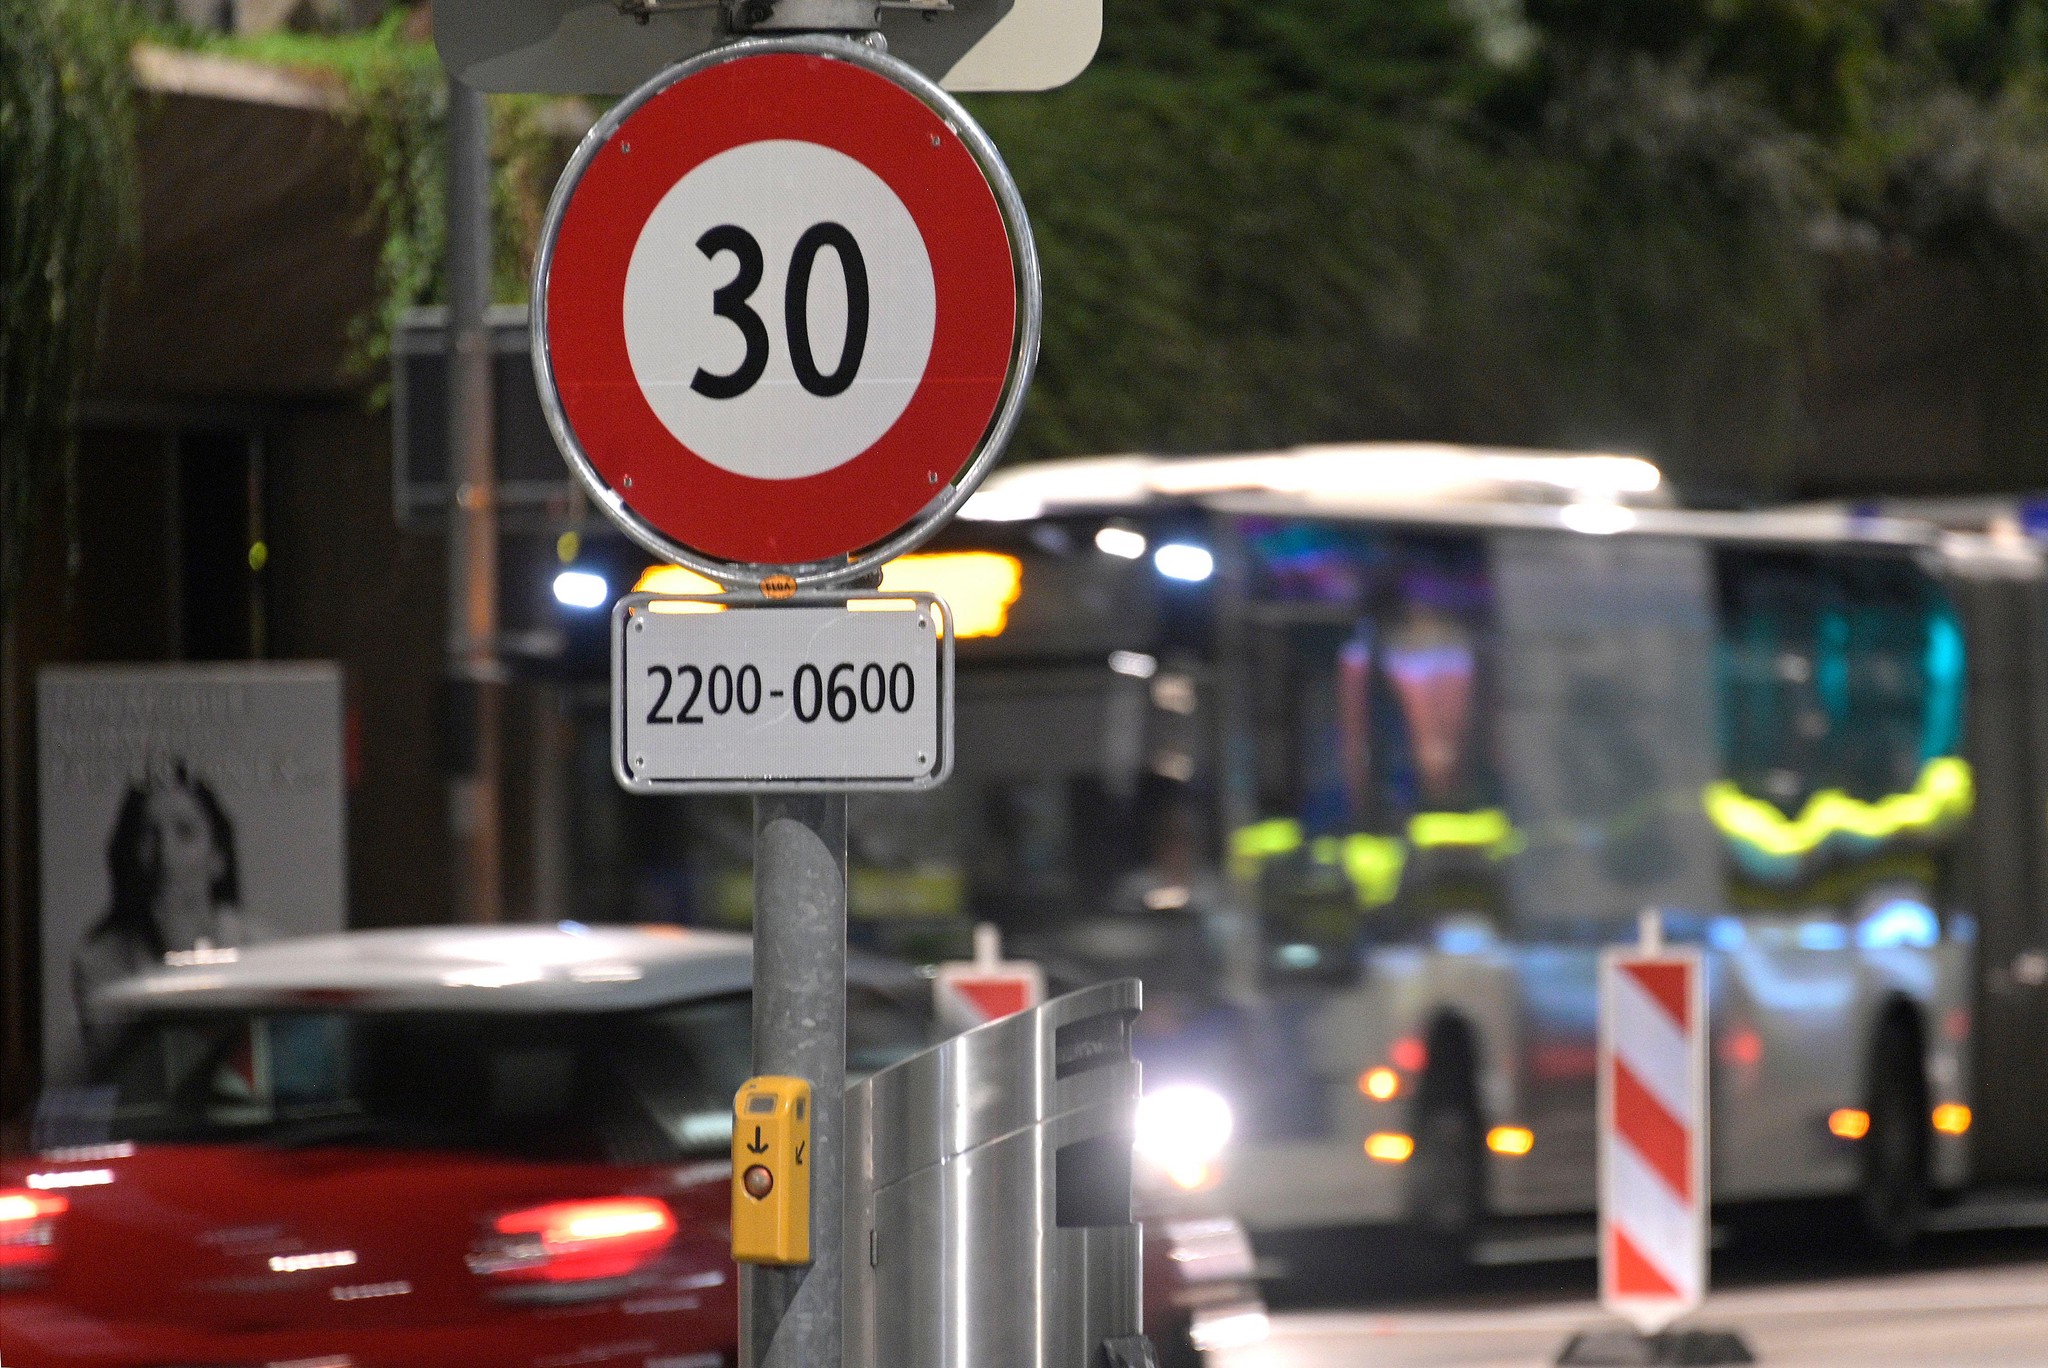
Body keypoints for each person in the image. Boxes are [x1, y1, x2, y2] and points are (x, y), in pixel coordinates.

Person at [72, 759, 264, 1038]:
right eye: (150, 834)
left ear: (217, 857)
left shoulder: (264, 949)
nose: (165, 853)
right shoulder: (98, 962)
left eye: (184, 832)